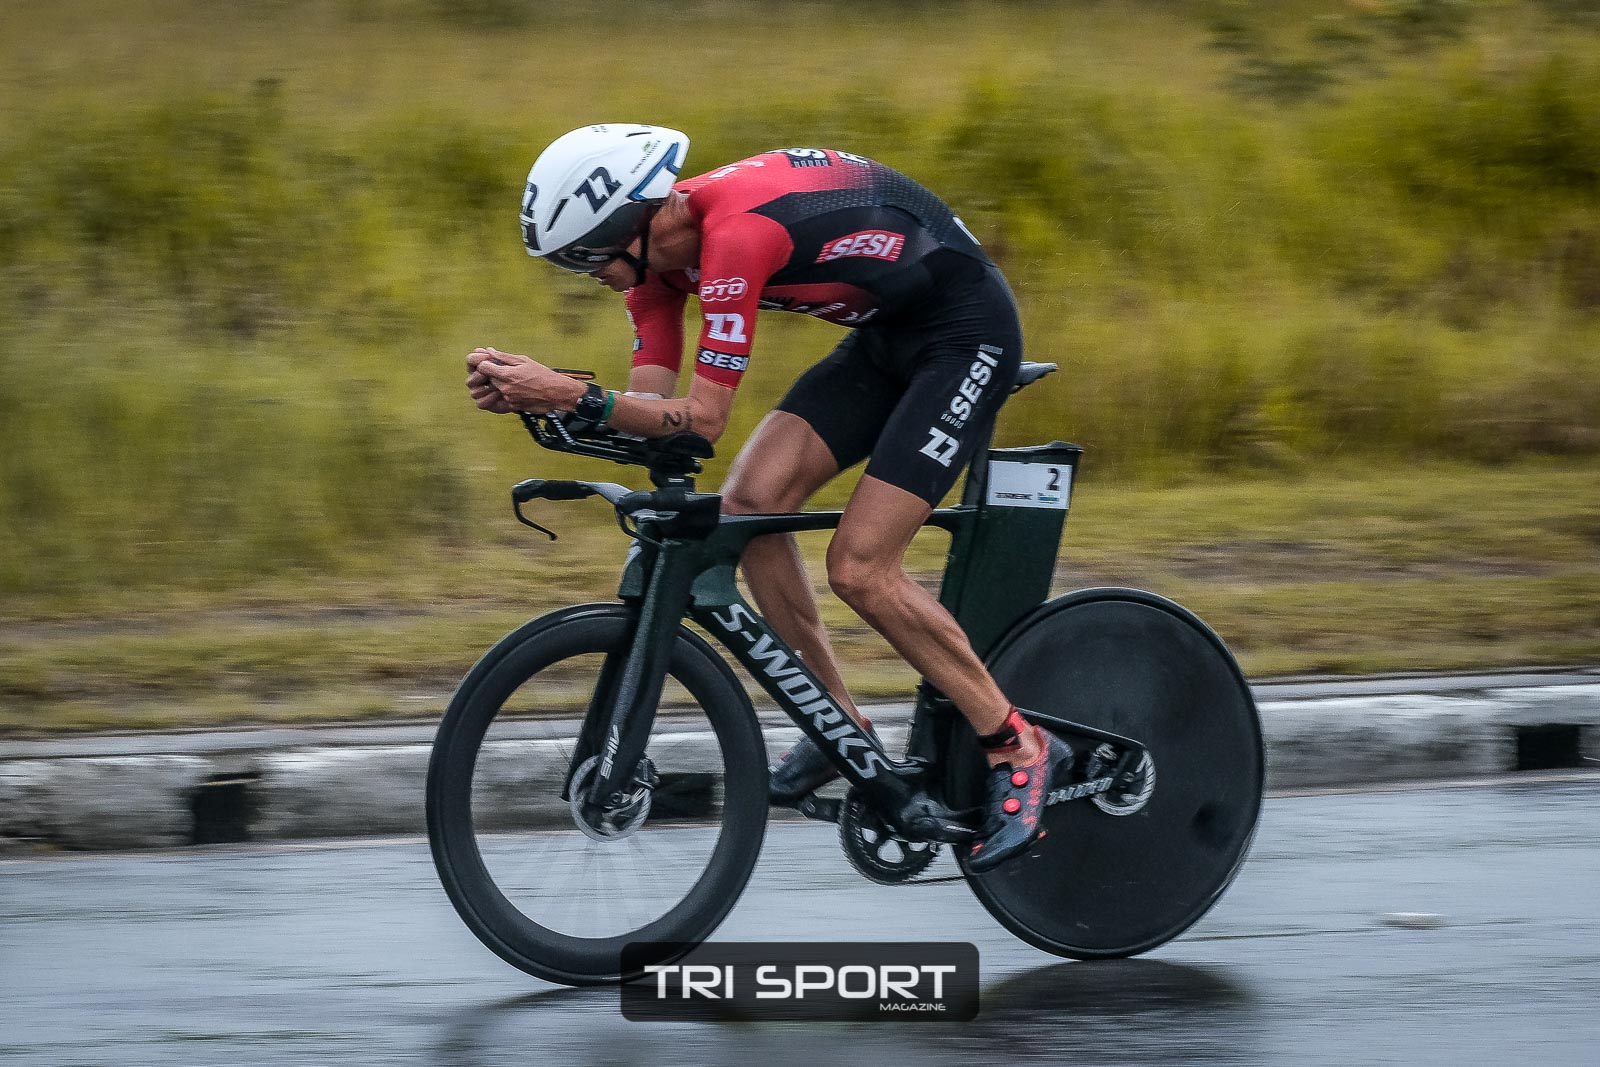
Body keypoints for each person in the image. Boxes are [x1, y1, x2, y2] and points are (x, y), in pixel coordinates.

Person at [466, 123, 1068, 872]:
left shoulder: (736, 236)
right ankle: (839, 727)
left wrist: (566, 394)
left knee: (861, 567)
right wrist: (553, 400)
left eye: (586, 256)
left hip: (966, 333)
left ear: (635, 223)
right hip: (886, 337)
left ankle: (1019, 744)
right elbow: (651, 413)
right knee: (747, 508)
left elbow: (702, 420)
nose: (587, 275)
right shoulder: (653, 271)